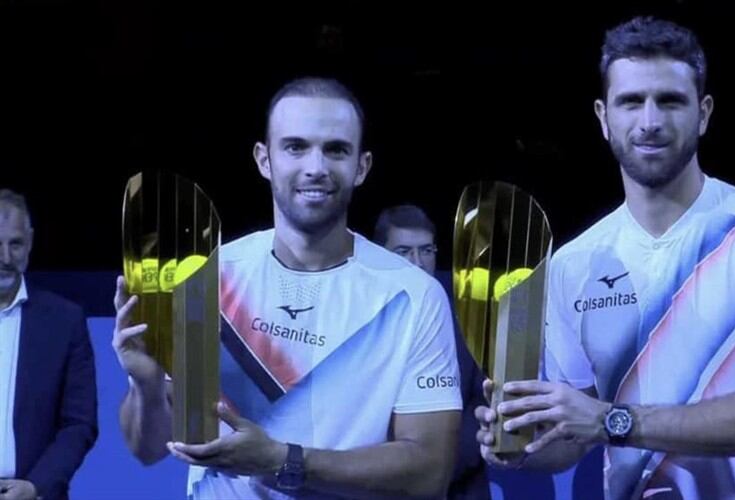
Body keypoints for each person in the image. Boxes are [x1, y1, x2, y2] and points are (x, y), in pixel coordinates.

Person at [475, 16, 735, 500]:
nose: (650, 121)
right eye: (631, 101)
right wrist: (520, 443)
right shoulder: (575, 264)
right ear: (602, 117)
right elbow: (571, 440)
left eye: (670, 101)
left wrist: (611, 420)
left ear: (703, 113)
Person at [113, 77, 462, 499]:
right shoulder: (207, 280)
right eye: (295, 147)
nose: (316, 167)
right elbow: (148, 449)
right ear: (264, 159)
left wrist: (282, 460)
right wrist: (147, 386)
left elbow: (429, 470)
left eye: (335, 149)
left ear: (362, 166)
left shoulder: (414, 295)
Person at [374, 204, 491, 500]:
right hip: (377, 481)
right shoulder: (359, 310)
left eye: (426, 250)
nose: (418, 262)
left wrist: (436, 468)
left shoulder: (468, 307)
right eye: (403, 252)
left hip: (459, 483)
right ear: (379, 254)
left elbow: (484, 396)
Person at [0, 189, 98, 500]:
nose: (5, 257)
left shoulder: (64, 321)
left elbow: (79, 424)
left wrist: (36, 486)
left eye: (14, 244)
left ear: (29, 242)